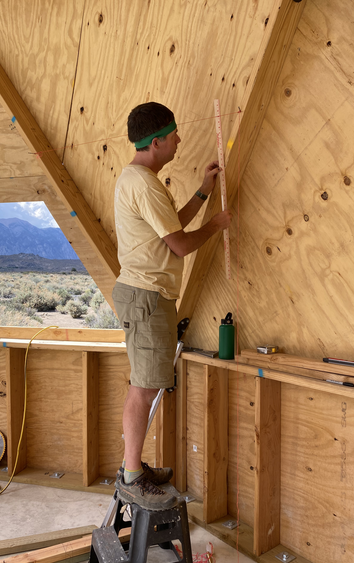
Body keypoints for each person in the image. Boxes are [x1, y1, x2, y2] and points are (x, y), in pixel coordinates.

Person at [112, 102, 232, 510]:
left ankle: (134, 468)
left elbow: (171, 226)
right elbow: (180, 245)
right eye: (175, 133)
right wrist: (215, 226)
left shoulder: (140, 179)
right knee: (144, 389)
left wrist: (202, 192)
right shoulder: (144, 183)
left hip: (144, 294)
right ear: (157, 141)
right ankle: (131, 476)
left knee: (141, 385)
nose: (180, 139)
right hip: (147, 296)